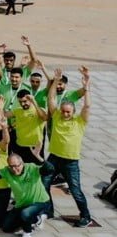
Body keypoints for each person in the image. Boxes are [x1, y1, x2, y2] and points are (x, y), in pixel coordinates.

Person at [44, 66, 93, 227]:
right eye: (63, 111)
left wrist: (87, 87)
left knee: (76, 191)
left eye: (68, 112)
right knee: (44, 184)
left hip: (71, 161)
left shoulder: (79, 122)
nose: (65, 114)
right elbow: (51, 99)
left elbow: (87, 107)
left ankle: (85, 216)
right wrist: (55, 81)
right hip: (54, 158)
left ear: (73, 112)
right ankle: (48, 211)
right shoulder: (56, 116)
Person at [0, 152, 52, 237]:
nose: (14, 169)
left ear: (22, 163)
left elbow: (50, 169)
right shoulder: (7, 171)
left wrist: (39, 158)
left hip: (39, 202)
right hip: (21, 204)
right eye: (11, 166)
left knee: (26, 213)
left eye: (16, 166)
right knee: (5, 227)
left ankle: (28, 231)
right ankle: (30, 220)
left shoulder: (31, 168)